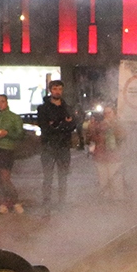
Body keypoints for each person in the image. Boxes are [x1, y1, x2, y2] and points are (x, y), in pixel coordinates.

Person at [36, 79, 76, 207]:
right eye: (55, 89)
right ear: (50, 90)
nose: (57, 92)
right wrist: (63, 123)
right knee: (48, 176)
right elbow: (44, 126)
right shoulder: (43, 108)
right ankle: (46, 202)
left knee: (63, 177)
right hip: (48, 146)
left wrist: (56, 124)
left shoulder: (67, 107)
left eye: (59, 89)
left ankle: (61, 203)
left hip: (63, 146)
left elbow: (72, 125)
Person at [85, 106, 125, 200]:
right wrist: (92, 128)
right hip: (100, 156)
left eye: (109, 113)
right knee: (103, 180)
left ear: (114, 114)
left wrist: (113, 127)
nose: (107, 115)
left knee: (116, 180)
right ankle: (105, 201)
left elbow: (122, 138)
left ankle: (118, 200)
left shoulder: (118, 124)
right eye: (105, 113)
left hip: (114, 157)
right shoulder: (98, 125)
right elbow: (90, 140)